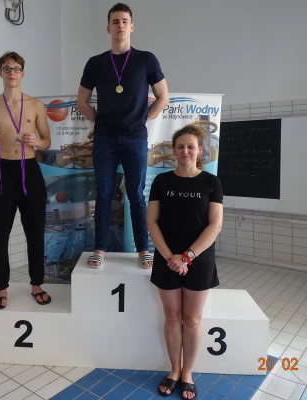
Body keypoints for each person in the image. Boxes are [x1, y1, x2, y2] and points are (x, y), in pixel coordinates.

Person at [77, 2, 169, 269]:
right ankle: (100, 249)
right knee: (104, 193)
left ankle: (143, 249)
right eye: (115, 21)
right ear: (108, 28)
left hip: (135, 138)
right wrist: (100, 121)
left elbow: (163, 97)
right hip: (105, 138)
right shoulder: (95, 63)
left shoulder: (146, 59)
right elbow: (82, 101)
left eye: (124, 21)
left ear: (132, 26)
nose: (120, 26)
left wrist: (141, 119)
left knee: (136, 195)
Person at [146, 124, 223, 398]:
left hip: (199, 259)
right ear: (173, 150)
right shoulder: (162, 181)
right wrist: (170, 257)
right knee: (172, 316)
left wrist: (187, 257)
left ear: (200, 150)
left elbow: (214, 226)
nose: (185, 151)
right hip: (167, 257)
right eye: (180, 146)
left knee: (191, 319)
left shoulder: (211, 183)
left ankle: (188, 373)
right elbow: (152, 222)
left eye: (191, 146)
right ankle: (174, 370)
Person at [0, 51, 52, 309]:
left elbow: (47, 141)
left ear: (23, 73)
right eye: (7, 68)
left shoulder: (36, 105)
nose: (12, 73)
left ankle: (37, 284)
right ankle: (1, 288)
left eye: (16, 68)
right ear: (0, 72)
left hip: (29, 170)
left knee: (35, 231)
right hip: (2, 171)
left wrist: (36, 142)